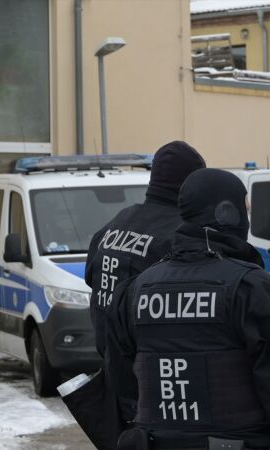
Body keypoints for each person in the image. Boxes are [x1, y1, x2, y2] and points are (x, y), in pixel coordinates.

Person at [109, 168, 270, 450]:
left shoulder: (135, 290)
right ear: (227, 213)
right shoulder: (252, 288)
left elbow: (121, 380)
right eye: (244, 209)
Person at [69, 141, 205, 450]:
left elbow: (92, 280)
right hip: (159, 389)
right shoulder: (178, 235)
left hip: (115, 379)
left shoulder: (113, 226)